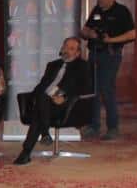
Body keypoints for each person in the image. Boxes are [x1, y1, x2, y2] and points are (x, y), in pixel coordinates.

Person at [13, 37, 92, 166]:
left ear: (78, 53)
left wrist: (65, 97)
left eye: (71, 49)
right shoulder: (52, 65)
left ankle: (27, 150)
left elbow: (84, 88)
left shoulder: (82, 66)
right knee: (42, 99)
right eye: (65, 47)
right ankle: (40, 138)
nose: (67, 50)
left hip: (65, 105)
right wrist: (33, 97)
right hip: (45, 101)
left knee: (40, 108)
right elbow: (42, 85)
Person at [80, 0, 135, 140]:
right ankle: (94, 126)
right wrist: (89, 34)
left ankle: (113, 127)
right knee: (93, 91)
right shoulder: (96, 10)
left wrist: (111, 40)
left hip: (110, 55)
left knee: (106, 89)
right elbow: (84, 30)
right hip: (94, 54)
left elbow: (132, 34)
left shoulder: (121, 11)